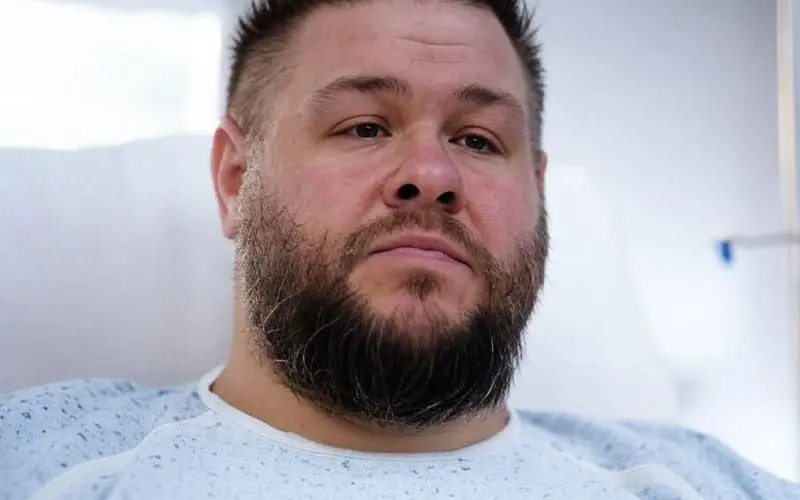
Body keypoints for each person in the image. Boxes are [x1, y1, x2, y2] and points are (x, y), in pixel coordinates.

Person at [1, 0, 798, 498]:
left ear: (537, 193)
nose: (431, 175)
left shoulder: (705, 482)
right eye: (364, 127)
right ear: (237, 180)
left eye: (479, 140)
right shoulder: (41, 458)